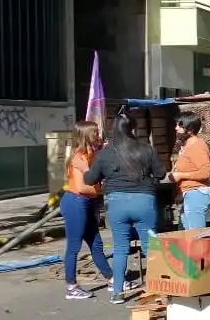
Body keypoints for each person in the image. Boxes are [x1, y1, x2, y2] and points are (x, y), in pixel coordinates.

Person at [84, 114, 166, 304]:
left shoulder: (105, 153)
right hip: (144, 202)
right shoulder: (146, 149)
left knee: (121, 248)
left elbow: (90, 179)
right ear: (133, 129)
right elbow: (161, 173)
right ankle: (159, 288)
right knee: (150, 248)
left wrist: (86, 168)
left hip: (117, 204)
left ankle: (117, 293)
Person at [60, 121, 113, 300]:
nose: (98, 135)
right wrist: (104, 190)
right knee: (74, 246)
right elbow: (83, 187)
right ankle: (71, 286)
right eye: (95, 132)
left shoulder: (91, 153)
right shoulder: (78, 157)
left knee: (96, 243)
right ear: (85, 135)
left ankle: (112, 278)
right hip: (76, 201)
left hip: (86, 202)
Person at [168, 112, 210, 230]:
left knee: (196, 237)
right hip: (189, 194)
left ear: (190, 130)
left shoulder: (197, 145)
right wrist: (179, 192)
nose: (176, 128)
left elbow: (205, 172)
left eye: (180, 126)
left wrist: (181, 175)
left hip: (196, 194)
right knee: (187, 237)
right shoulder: (186, 146)